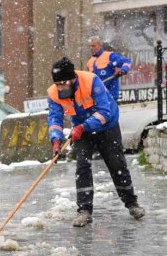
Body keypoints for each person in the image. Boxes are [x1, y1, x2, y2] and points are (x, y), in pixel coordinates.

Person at [47, 57, 145, 227]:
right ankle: (84, 210)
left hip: (107, 126)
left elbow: (104, 112)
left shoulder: (91, 81)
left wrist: (83, 127)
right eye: (57, 84)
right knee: (82, 167)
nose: (60, 87)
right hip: (81, 130)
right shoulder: (54, 93)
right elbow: (55, 118)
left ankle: (132, 203)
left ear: (72, 79)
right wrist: (56, 140)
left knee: (117, 165)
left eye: (63, 82)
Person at [86, 36, 132, 100]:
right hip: (97, 98)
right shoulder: (89, 62)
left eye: (93, 46)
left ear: (100, 46)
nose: (91, 48)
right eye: (90, 46)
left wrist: (124, 70)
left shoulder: (109, 56)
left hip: (110, 96)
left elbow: (126, 61)